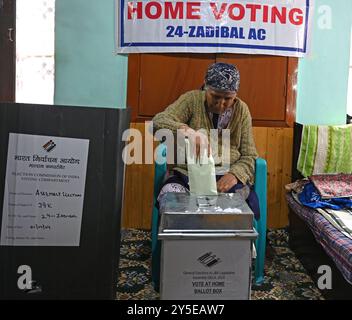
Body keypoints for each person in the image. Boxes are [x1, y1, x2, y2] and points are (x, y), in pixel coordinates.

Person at [152, 62, 260, 219]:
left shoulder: (242, 110)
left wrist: (235, 175)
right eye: (215, 96)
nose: (221, 103)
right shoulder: (192, 100)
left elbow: (249, 155)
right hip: (188, 174)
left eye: (228, 99)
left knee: (242, 207)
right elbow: (158, 122)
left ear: (235, 95)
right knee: (172, 201)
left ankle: (230, 243)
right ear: (205, 88)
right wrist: (187, 131)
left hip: (225, 176)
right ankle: (182, 243)